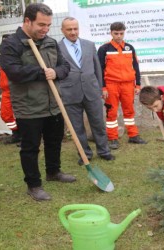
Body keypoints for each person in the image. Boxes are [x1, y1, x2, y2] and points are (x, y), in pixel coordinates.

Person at [0, 3, 75, 201]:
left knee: (54, 141)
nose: (45, 29)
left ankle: (53, 172)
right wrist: (42, 73)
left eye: (48, 25)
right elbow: (14, 72)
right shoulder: (11, 44)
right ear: (27, 20)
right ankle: (33, 185)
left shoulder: (50, 42)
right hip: (29, 106)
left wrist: (56, 72)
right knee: (30, 147)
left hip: (53, 103)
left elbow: (65, 66)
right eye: (41, 24)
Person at [58, 17, 115, 166]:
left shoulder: (89, 45)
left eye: (75, 28)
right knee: (77, 127)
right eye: (69, 29)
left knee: (98, 123)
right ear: (62, 30)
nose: (73, 32)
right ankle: (84, 154)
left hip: (92, 91)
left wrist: (100, 87)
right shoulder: (56, 48)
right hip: (70, 93)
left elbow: (97, 68)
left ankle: (104, 151)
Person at [97, 21, 146, 150]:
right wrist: (103, 87)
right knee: (111, 111)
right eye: (116, 33)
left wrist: (138, 85)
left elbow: (135, 66)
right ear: (111, 33)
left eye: (121, 33)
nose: (119, 36)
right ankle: (112, 138)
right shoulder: (104, 49)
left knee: (129, 110)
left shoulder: (129, 48)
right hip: (111, 85)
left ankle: (133, 135)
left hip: (128, 85)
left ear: (124, 33)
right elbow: (99, 69)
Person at [0, 34, 22, 145]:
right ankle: (16, 134)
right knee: (5, 115)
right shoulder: (0, 58)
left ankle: (24, 137)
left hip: (18, 90)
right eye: (3, 42)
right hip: (6, 91)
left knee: (22, 114)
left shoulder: (19, 55)